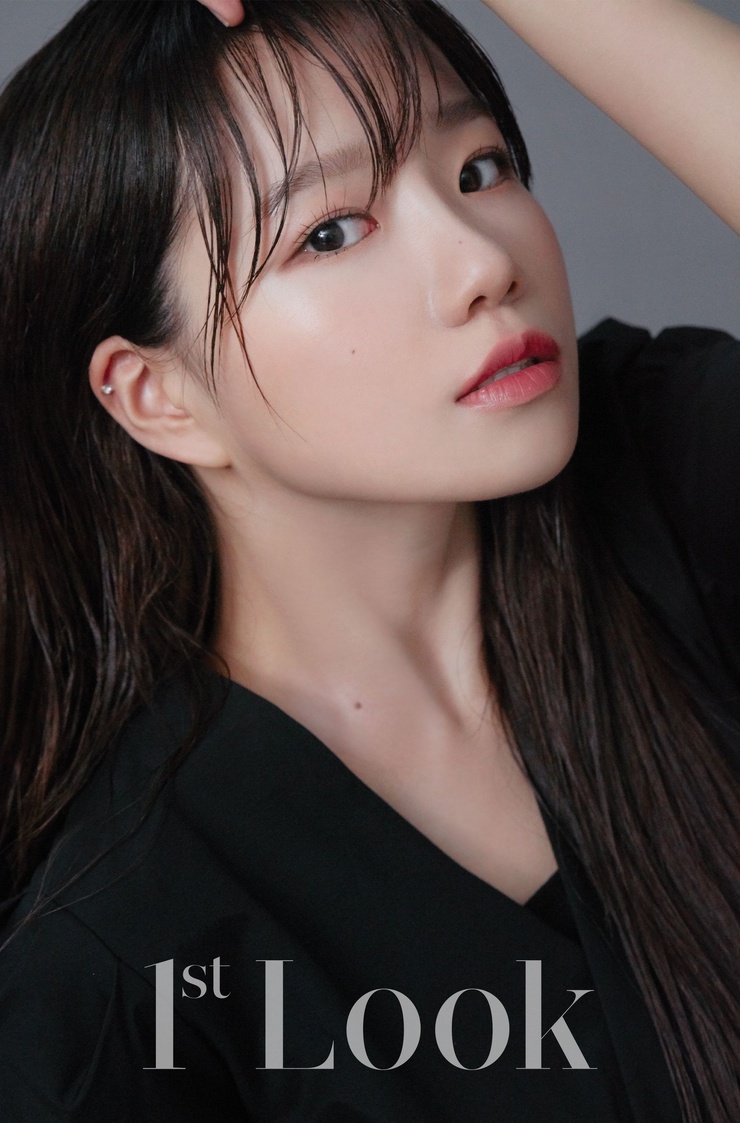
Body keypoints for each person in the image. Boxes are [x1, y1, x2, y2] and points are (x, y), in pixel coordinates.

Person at [0, 0, 737, 1120]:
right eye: (332, 233)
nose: (482, 261)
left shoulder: (665, 481)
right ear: (158, 396)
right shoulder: (116, 967)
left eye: (479, 168)